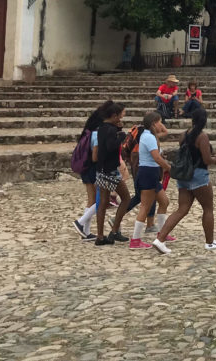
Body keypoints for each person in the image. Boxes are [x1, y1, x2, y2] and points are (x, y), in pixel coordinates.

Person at [153, 107, 216, 253]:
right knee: (207, 208)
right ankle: (210, 242)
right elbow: (206, 159)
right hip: (198, 175)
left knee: (182, 209)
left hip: (184, 176)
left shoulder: (184, 135)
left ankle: (160, 239)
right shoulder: (202, 136)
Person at [128, 111, 174, 250]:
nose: (162, 125)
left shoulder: (150, 136)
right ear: (154, 123)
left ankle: (162, 233)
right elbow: (157, 157)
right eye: (160, 122)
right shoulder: (148, 137)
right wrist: (168, 167)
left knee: (164, 201)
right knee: (145, 207)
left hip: (152, 173)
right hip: (148, 173)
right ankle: (135, 240)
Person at [73, 100, 113, 241]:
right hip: (93, 168)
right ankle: (81, 222)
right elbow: (96, 156)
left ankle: (86, 231)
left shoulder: (88, 130)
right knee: (102, 198)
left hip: (86, 167)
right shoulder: (97, 133)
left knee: (91, 199)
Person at [93, 103, 132, 246]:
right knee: (126, 198)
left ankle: (100, 236)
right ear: (114, 116)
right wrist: (121, 137)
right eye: (120, 115)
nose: (122, 117)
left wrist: (119, 129)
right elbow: (111, 146)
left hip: (101, 170)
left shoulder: (102, 128)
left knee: (103, 202)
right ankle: (114, 230)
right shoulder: (110, 130)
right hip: (110, 171)